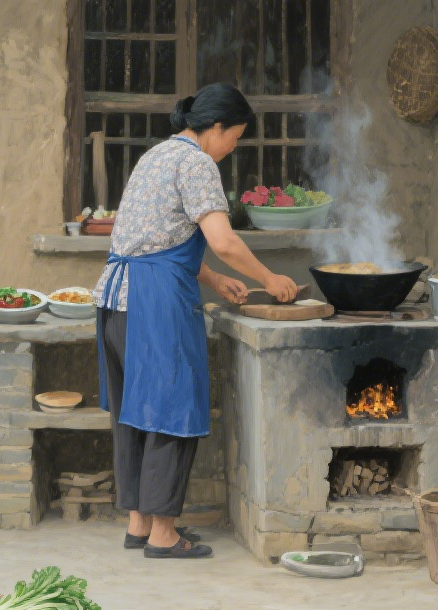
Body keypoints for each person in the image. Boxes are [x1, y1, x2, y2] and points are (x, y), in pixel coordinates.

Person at [93, 82, 302, 560]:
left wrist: (211, 278)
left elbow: (152, 237)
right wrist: (269, 277)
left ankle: (140, 523)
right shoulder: (197, 163)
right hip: (157, 304)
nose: (233, 148)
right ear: (216, 127)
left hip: (117, 299)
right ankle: (164, 535)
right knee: (171, 407)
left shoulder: (155, 157)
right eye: (235, 137)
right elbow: (224, 240)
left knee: (132, 411)